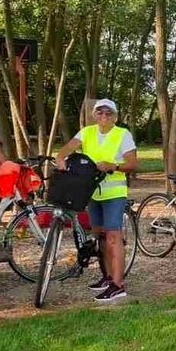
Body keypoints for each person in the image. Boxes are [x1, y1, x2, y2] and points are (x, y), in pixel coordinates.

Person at [54, 98, 138, 302]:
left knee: (113, 237)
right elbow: (68, 147)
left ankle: (118, 285)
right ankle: (108, 277)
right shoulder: (87, 132)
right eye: (100, 112)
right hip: (92, 192)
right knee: (100, 236)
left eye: (108, 113)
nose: (104, 116)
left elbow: (133, 163)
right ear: (94, 115)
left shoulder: (122, 134)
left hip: (114, 193)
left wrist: (114, 166)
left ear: (114, 116)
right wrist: (60, 157)